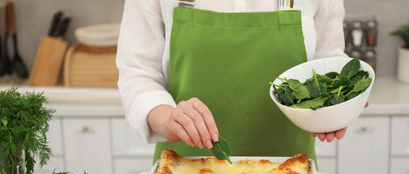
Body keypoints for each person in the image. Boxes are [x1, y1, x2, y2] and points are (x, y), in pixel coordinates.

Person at [117, 0, 348, 163]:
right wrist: (166, 118)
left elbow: (328, 64)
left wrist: (337, 103)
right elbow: (138, 73)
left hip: (290, 173)